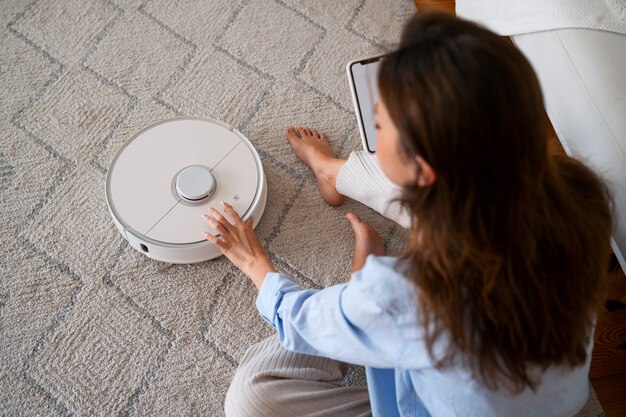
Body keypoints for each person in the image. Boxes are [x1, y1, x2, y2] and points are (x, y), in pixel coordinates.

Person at [201, 13, 614, 417]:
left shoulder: (412, 293)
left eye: (381, 127)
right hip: (555, 402)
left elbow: (302, 320)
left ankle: (357, 282)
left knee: (252, 396)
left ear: (425, 170)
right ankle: (333, 173)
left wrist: (255, 262)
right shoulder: (580, 192)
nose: (374, 132)